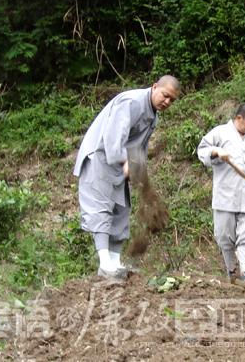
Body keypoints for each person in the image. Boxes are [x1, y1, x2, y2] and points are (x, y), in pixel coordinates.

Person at [73, 75, 180, 278]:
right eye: (165, 95)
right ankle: (105, 263)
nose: (167, 102)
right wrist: (126, 161)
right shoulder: (131, 103)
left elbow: (139, 146)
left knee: (121, 209)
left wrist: (139, 171)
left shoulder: (153, 116)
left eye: (172, 100)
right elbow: (113, 140)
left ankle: (115, 262)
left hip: (121, 162)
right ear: (155, 87)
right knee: (101, 208)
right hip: (101, 157)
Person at [197, 103, 245, 284]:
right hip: (225, 195)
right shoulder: (219, 133)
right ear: (239, 118)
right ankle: (231, 271)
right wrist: (215, 151)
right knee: (225, 236)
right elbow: (201, 151)